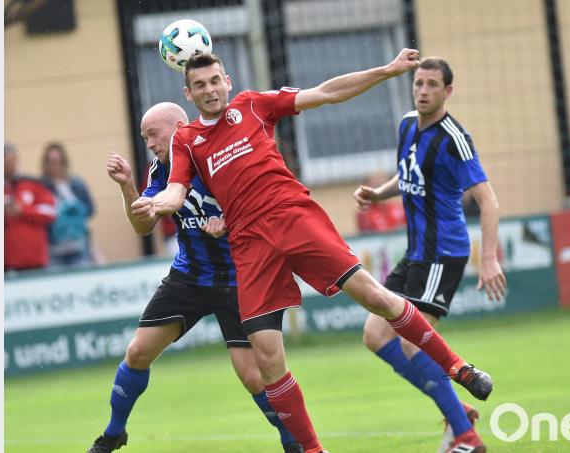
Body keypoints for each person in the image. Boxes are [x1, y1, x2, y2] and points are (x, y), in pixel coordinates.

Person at [141, 49, 493, 453]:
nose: (209, 90)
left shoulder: (253, 105)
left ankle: (457, 367)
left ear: (227, 81)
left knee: (373, 295)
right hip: (250, 243)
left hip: (292, 216)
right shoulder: (187, 139)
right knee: (267, 355)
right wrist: (158, 204)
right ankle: (313, 450)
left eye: (215, 81)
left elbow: (325, 92)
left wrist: (388, 70)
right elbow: (175, 189)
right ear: (189, 93)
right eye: (200, 85)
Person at [86, 103, 299, 453]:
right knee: (138, 351)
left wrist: (229, 223)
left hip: (239, 277)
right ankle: (114, 433)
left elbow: (261, 203)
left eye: (153, 134)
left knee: (252, 375)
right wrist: (127, 187)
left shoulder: (218, 157)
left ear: (180, 125)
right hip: (190, 276)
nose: (149, 143)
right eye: (144, 137)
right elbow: (144, 225)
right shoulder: (160, 171)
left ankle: (293, 442)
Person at [353, 57, 506, 453]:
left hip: (443, 254)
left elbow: (488, 201)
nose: (423, 91)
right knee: (374, 334)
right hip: (416, 253)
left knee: (411, 343)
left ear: (447, 91)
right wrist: (378, 193)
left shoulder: (454, 138)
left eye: (432, 85)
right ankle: (458, 411)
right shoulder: (407, 124)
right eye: (418, 83)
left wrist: (488, 258)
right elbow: (407, 177)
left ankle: (466, 436)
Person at [41, 141, 96, 267]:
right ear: (46, 164)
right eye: (52, 162)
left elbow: (90, 209)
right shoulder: (42, 186)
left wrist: (73, 210)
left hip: (78, 245)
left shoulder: (76, 184)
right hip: (54, 248)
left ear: (64, 161)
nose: (56, 166)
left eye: (58, 161)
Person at [4, 142, 56, 271]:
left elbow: (51, 212)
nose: (8, 166)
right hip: (6, 263)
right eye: (4, 162)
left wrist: (23, 211)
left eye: (10, 161)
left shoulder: (32, 184)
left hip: (34, 261)